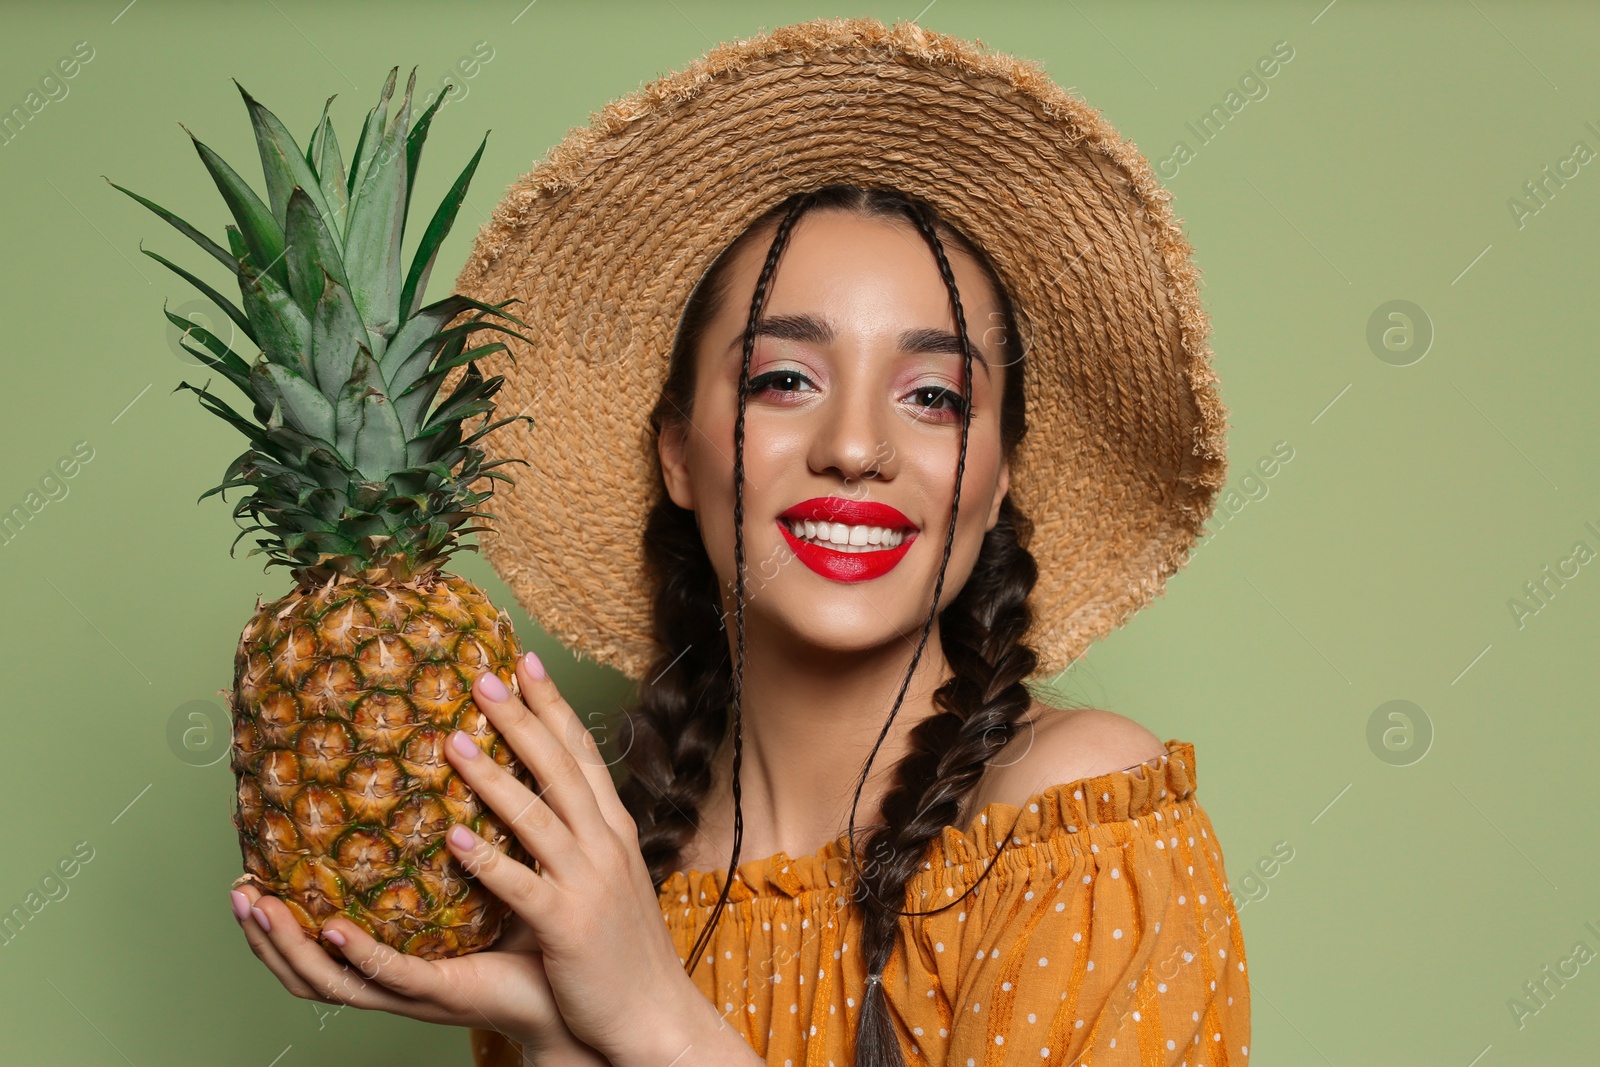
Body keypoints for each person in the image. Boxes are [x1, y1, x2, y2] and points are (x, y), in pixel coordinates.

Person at [231, 17, 1249, 1067]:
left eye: (934, 394)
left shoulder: (1072, 823)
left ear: (995, 480)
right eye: (783, 380)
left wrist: (650, 1017)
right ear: (677, 452)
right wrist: (549, 1028)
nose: (855, 446)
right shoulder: (605, 886)